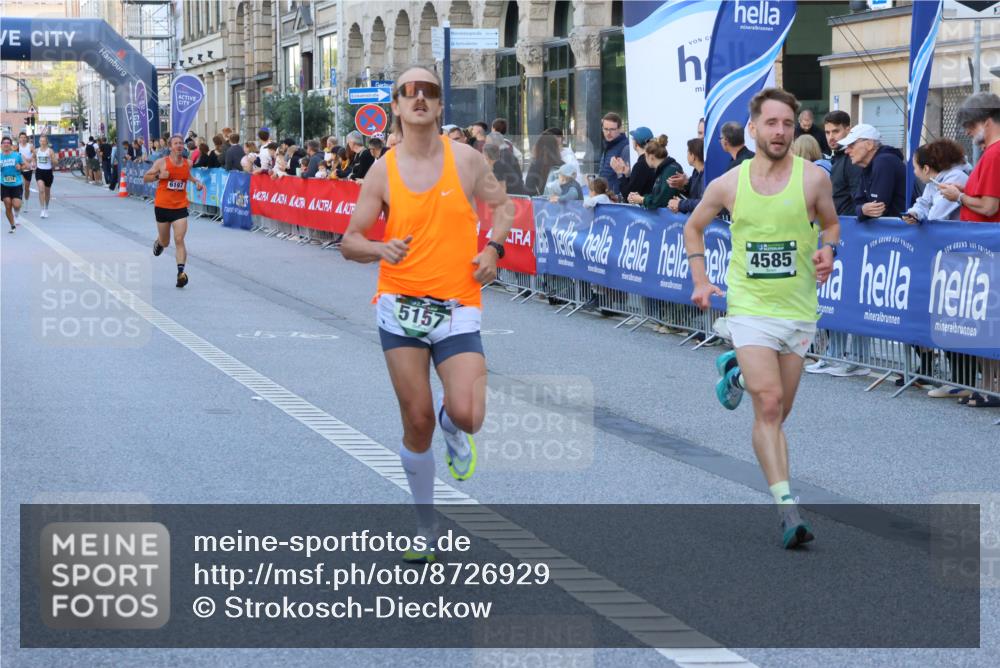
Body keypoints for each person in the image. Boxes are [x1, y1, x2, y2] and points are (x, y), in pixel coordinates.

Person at [341, 67, 514, 563]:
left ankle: (452, 424)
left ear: (440, 107)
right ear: (395, 105)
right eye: (408, 92)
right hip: (401, 309)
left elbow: (504, 208)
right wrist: (379, 249)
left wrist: (494, 249)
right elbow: (350, 241)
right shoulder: (381, 170)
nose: (419, 97)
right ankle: (425, 525)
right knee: (415, 421)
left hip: (458, 306)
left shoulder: (466, 160)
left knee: (469, 413)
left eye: (429, 92)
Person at [684, 88, 840, 549]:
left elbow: (831, 224)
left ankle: (734, 371)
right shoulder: (728, 184)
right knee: (768, 405)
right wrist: (700, 279)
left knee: (780, 412)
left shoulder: (814, 180)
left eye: (788, 124)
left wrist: (829, 248)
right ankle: (788, 509)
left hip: (798, 310)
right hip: (749, 307)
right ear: (753, 128)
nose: (780, 132)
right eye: (771, 123)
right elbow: (693, 225)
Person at [143, 135, 205, 289]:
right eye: (176, 143)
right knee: (166, 241)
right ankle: (159, 242)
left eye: (181, 143)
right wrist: (158, 176)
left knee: (179, 239)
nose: (179, 146)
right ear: (170, 146)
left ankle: (181, 273)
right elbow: (145, 177)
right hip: (163, 206)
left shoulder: (187, 163)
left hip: (180, 207)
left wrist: (196, 182)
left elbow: (186, 176)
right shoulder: (161, 162)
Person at [939, 91, 1000, 223]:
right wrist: (965, 191)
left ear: (987, 123)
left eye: (970, 125)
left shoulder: (994, 154)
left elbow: (989, 207)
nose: (967, 132)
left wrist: (958, 196)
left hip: (985, 240)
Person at [838, 124, 907, 221]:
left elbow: (878, 208)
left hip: (899, 232)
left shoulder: (883, 161)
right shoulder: (868, 165)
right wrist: (862, 209)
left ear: (869, 144)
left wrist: (862, 210)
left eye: (852, 145)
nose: (846, 151)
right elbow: (859, 203)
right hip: (891, 231)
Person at [902, 139, 969, 224]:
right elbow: (923, 203)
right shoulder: (933, 181)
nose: (914, 172)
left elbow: (936, 217)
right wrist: (914, 214)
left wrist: (921, 218)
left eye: (915, 168)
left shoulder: (956, 178)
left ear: (926, 169)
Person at [822, 111, 863, 216]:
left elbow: (859, 199)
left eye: (835, 131)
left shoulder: (853, 159)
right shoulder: (837, 156)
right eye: (827, 132)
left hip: (849, 225)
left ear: (848, 130)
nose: (831, 137)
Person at [626, 135, 682, 210]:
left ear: (651, 157)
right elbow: (657, 196)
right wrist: (640, 197)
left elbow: (661, 201)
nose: (645, 159)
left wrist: (641, 199)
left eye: (645, 156)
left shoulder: (669, 170)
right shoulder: (663, 169)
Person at [612, 126, 657, 200]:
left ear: (635, 143)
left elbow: (629, 197)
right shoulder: (654, 161)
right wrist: (627, 175)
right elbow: (638, 186)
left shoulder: (641, 165)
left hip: (644, 210)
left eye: (633, 139)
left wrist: (620, 174)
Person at [669, 138, 705, 214]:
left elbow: (703, 202)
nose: (687, 155)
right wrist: (683, 186)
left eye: (688, 152)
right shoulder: (696, 172)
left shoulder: (705, 176)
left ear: (693, 156)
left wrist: (680, 204)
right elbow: (693, 194)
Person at [1, 136, 30, 232]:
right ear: (1, 145)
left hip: (16, 184)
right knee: (8, 204)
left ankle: (16, 213)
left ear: (10, 145)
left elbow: (27, 166)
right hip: (4, 184)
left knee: (16, 205)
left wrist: (20, 167)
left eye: (8, 143)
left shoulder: (17, 155)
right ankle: (12, 225)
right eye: (4, 142)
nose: (6, 144)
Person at [598, 112, 630, 195]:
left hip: (616, 200)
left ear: (620, 129)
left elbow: (627, 177)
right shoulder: (608, 144)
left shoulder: (626, 148)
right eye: (605, 129)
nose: (608, 133)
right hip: (605, 196)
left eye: (612, 129)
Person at [34, 135, 55, 218]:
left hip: (48, 172)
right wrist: (33, 163)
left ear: (46, 142)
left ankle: (46, 208)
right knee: (41, 190)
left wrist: (52, 159)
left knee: (47, 192)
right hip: (39, 171)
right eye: (41, 141)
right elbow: (33, 158)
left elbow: (56, 162)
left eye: (44, 141)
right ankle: (42, 209)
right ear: (39, 142)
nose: (42, 142)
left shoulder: (50, 151)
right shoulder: (36, 151)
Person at [17, 133, 35, 211]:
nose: (23, 139)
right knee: (21, 185)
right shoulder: (17, 147)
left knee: (26, 188)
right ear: (19, 138)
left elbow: (35, 153)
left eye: (24, 137)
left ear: (26, 138)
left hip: (28, 169)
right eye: (21, 137)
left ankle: (26, 203)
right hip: (20, 169)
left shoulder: (30, 146)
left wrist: (31, 159)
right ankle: (21, 201)